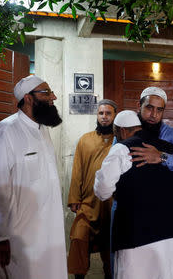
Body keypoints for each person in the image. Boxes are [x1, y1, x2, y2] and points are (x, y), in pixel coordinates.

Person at [0, 75, 67, 279]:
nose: (54, 97)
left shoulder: (42, 130)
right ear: (28, 98)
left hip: (47, 235)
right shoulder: (6, 131)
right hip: (17, 239)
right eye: (47, 93)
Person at [94, 110, 173, 279]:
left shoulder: (122, 148)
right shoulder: (169, 149)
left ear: (121, 131)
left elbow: (102, 190)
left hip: (137, 238)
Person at [67, 99, 117, 279]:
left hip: (111, 204)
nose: (104, 117)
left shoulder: (120, 141)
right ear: (97, 116)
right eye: (101, 113)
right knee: (79, 238)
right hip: (88, 204)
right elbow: (77, 170)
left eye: (108, 113)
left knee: (110, 245)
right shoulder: (85, 140)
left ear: (114, 116)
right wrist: (74, 199)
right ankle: (79, 276)